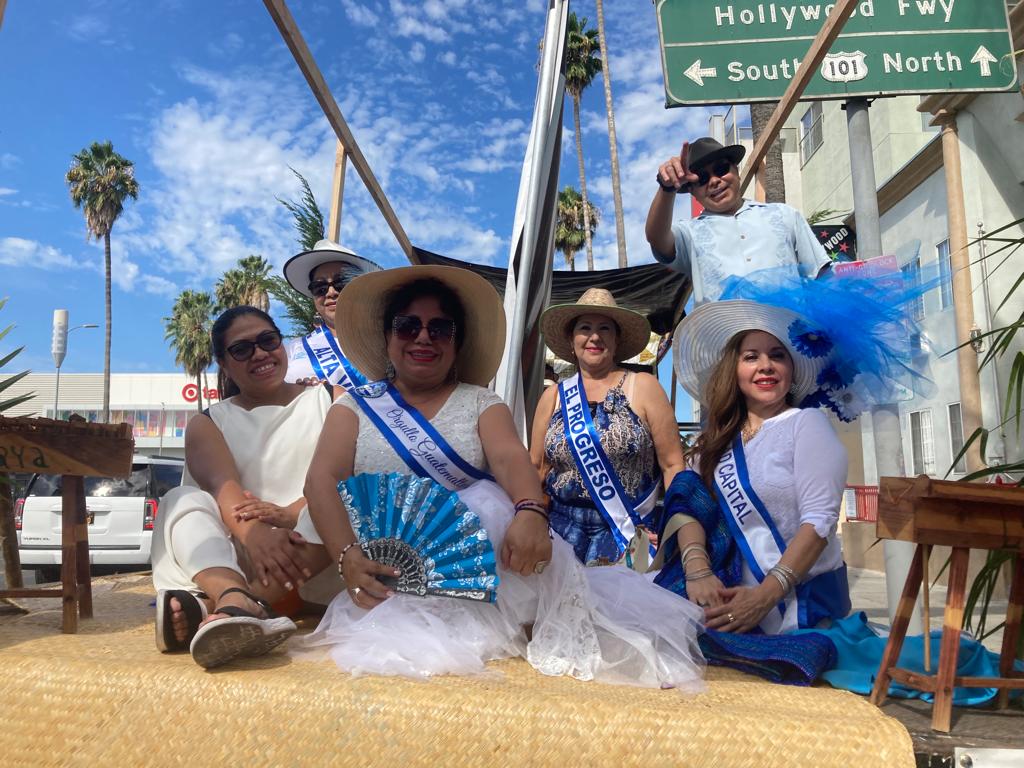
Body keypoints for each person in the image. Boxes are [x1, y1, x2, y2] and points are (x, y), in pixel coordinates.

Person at [298, 265, 705, 688]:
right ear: (387, 337)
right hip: (380, 575)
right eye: (407, 325)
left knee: (486, 505)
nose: (423, 336)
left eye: (440, 328)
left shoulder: (481, 402)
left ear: (457, 342)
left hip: (479, 584)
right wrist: (346, 557)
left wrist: (530, 511)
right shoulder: (356, 407)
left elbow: (513, 461)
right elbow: (321, 482)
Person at [653, 299, 852, 636]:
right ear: (734, 369)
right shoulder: (715, 443)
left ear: (792, 369)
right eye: (751, 357)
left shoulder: (806, 424)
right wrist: (697, 568)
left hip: (799, 605)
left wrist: (764, 597)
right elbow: (686, 498)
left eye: (777, 355)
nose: (766, 366)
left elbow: (819, 523)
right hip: (727, 600)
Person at [152, 306, 332, 669]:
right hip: (240, 556)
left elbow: (341, 474)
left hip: (315, 549)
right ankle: (233, 595)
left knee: (340, 500)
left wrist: (289, 514)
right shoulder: (209, 422)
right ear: (224, 362)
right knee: (181, 499)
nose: (260, 354)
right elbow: (223, 486)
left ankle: (235, 606)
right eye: (242, 349)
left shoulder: (331, 399)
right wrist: (256, 535)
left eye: (268, 341)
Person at [531, 288, 683, 569]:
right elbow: (537, 469)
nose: (595, 336)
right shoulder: (552, 397)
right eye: (585, 328)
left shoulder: (644, 387)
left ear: (617, 339)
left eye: (605, 329)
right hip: (559, 532)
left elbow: (673, 465)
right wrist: (530, 519)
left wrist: (674, 528)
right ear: (571, 338)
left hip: (629, 531)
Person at [644, 137, 830, 306]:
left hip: (789, 337)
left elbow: (821, 276)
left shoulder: (784, 215)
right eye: (702, 178)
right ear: (692, 191)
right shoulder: (689, 233)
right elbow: (656, 238)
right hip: (723, 341)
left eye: (721, 169)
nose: (714, 181)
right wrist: (666, 189)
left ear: (737, 171)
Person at [281, 238, 381, 388]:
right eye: (320, 287)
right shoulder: (294, 349)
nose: (331, 292)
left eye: (341, 283)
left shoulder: (388, 341)